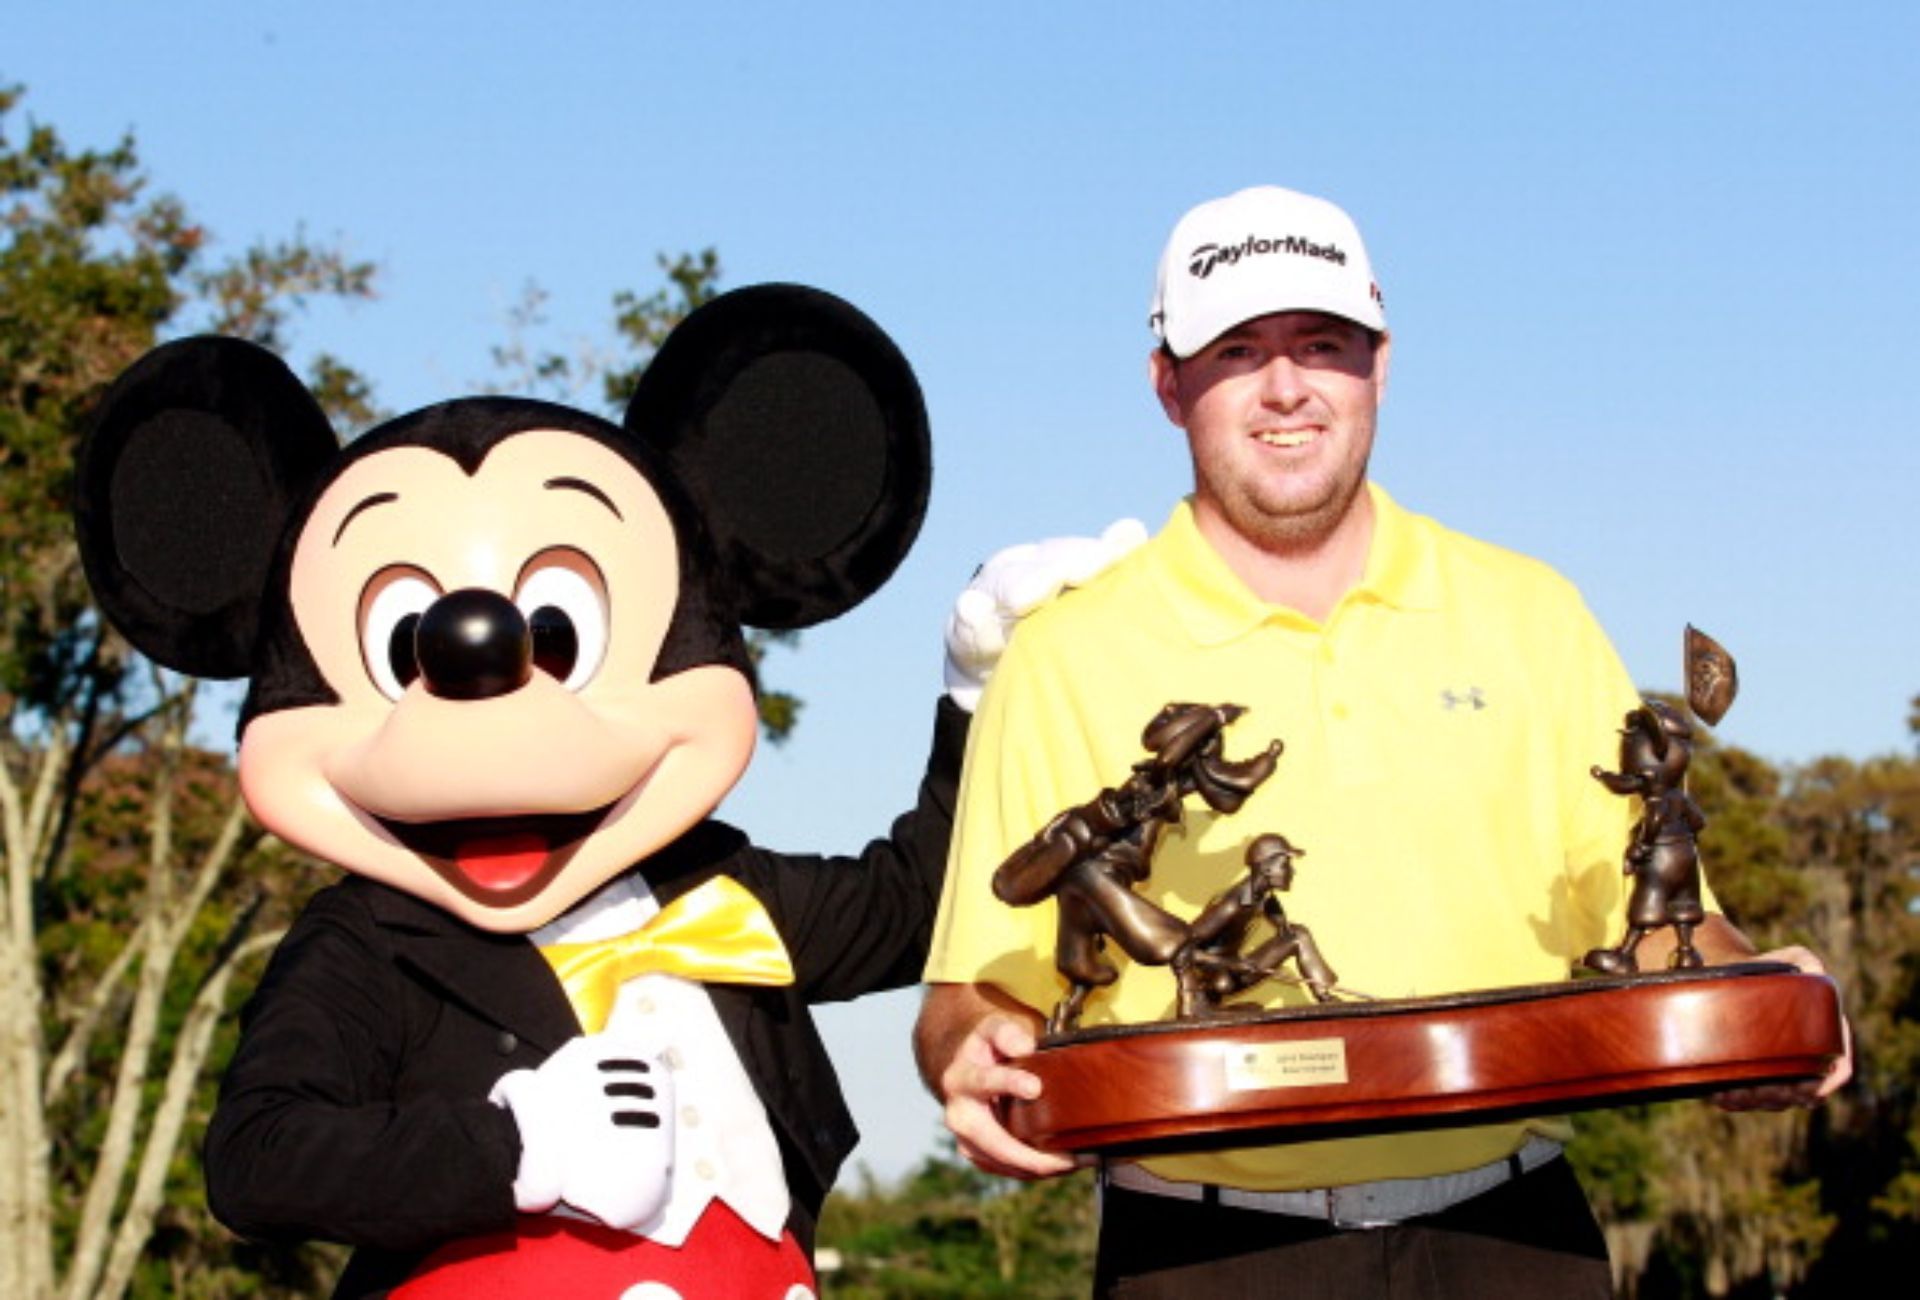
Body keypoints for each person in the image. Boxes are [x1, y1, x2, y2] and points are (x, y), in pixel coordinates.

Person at [914, 185, 1852, 1298]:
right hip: (1205, 1253)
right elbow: (975, 993)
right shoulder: (1066, 650)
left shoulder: (1531, 612)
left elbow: (1644, 930)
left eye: (1322, 344)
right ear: (1168, 384)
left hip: (1515, 1232)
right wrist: (965, 1055)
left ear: (1382, 364)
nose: (1286, 386)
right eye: (1237, 350)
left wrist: (1757, 1000)